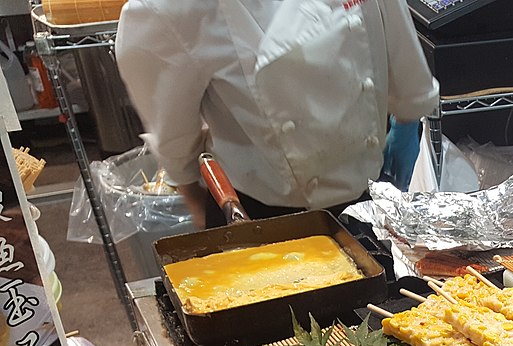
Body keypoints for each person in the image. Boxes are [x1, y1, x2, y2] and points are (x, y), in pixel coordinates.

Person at [115, 0, 438, 229]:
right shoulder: (172, 9)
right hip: (263, 217)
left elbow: (393, 23)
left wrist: (410, 109)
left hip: (370, 194)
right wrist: (195, 196)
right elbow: (171, 127)